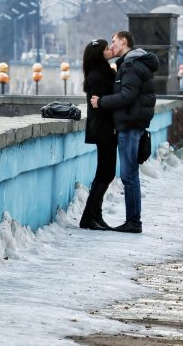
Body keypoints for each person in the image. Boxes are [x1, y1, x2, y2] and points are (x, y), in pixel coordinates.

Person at [90, 31, 159, 233]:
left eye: (114, 41)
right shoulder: (134, 63)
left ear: (124, 41)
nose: (112, 46)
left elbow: (127, 95)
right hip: (133, 122)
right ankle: (133, 220)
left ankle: (133, 222)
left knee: (129, 176)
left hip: (129, 125)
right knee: (131, 175)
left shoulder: (131, 65)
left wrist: (100, 102)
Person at [80, 39, 117, 231]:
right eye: (106, 49)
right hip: (104, 128)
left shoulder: (102, 73)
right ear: (99, 54)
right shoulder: (97, 76)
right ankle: (88, 216)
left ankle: (96, 215)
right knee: (105, 173)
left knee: (105, 172)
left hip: (105, 128)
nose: (110, 50)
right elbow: (101, 104)